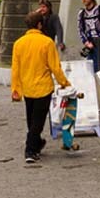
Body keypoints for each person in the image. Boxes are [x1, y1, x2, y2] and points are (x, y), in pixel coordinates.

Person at [12, 10, 71, 163]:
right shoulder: (47, 42)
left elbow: (15, 69)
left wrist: (15, 90)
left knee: (31, 120)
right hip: (43, 88)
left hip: (27, 87)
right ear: (39, 24)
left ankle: (37, 143)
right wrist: (64, 83)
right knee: (37, 122)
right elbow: (55, 67)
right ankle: (30, 150)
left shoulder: (18, 44)